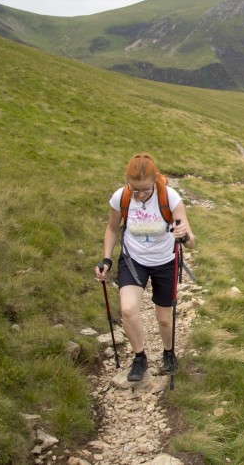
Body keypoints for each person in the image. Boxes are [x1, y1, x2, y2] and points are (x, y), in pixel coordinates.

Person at [94, 153, 195, 382]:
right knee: (128, 310)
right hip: (133, 259)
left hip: (165, 261)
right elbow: (111, 229)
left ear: (155, 180)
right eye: (135, 189)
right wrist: (107, 259)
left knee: (164, 319)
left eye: (145, 190)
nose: (140, 195)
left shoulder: (170, 197)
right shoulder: (121, 197)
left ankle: (169, 353)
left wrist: (184, 235)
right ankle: (140, 357)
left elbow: (191, 242)